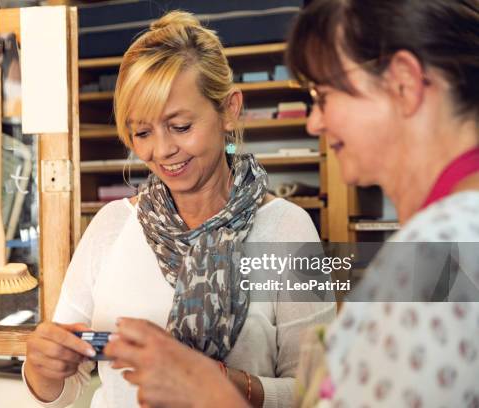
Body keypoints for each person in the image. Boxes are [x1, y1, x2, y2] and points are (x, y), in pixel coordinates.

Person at [104, 0, 479, 407]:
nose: (315, 121)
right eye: (142, 131)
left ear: (404, 84)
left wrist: (211, 391)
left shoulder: (441, 247)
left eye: (324, 93)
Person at [22, 10, 335, 408]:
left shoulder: (287, 230)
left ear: (229, 110)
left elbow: (318, 393)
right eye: (142, 132)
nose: (163, 150)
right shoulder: (113, 225)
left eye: (181, 126)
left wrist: (215, 381)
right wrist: (42, 368)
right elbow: (64, 387)